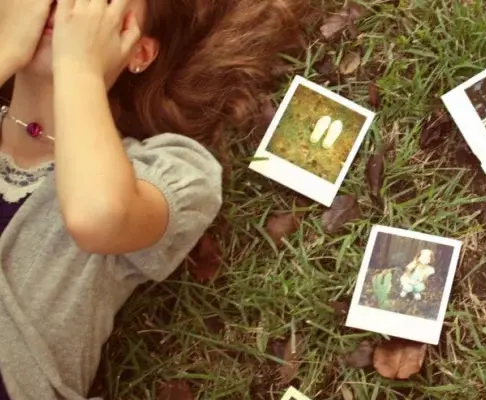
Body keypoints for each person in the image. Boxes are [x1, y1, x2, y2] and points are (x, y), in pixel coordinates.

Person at [0, 0, 304, 399]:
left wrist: (78, 66)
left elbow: (98, 218)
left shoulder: (165, 169)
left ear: (138, 52)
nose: (66, 11)